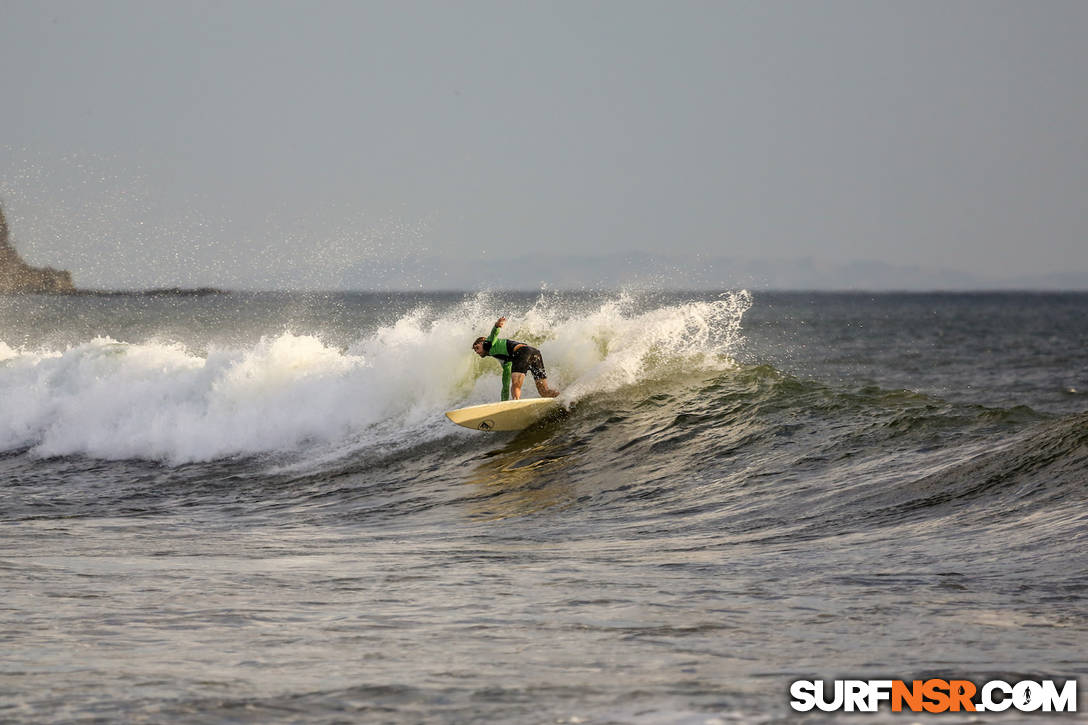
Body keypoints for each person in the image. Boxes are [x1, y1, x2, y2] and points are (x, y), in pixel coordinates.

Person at [472, 316, 559, 401]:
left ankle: (515, 401)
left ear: (483, 342)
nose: (476, 351)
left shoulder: (488, 344)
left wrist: (497, 325)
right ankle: (562, 397)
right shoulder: (503, 358)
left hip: (522, 352)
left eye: (477, 347)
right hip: (535, 353)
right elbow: (505, 384)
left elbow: (493, 334)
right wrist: (504, 402)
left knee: (516, 385)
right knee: (544, 392)